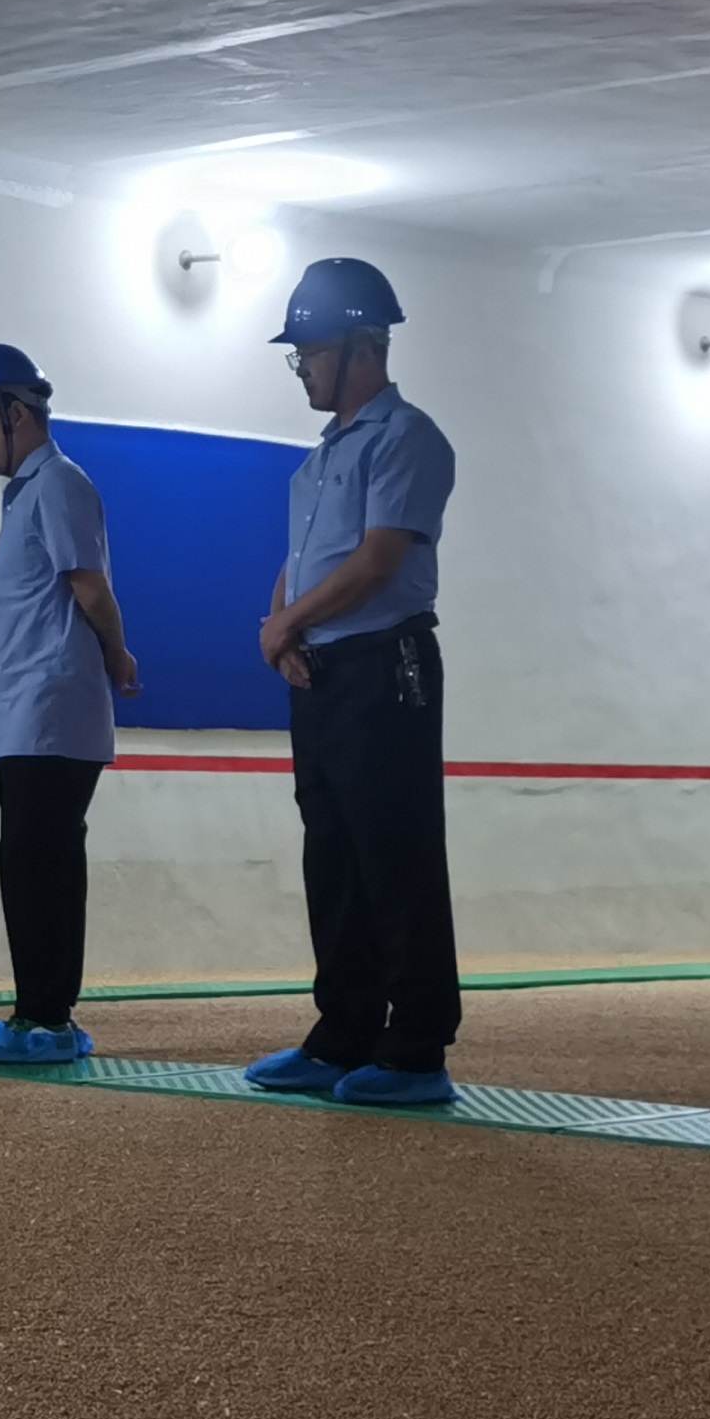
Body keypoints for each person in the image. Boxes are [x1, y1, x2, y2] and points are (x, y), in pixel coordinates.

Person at [241, 258, 464, 1108]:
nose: (301, 369)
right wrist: (282, 629)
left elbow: (377, 561)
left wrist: (288, 624)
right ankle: (343, 1031)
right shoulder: (318, 461)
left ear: (364, 346)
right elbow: (301, 562)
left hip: (384, 667)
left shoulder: (407, 438)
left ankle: (417, 1047)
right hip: (323, 670)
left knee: (396, 854)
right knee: (332, 854)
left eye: (310, 353)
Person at [0, 344, 141, 1065]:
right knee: (32, 861)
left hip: (50, 710)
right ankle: (44, 1013)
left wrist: (117, 653)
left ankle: (46, 1018)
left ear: (17, 412)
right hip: (28, 712)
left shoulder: (57, 484)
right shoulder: (28, 492)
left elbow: (89, 586)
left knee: (39, 863)